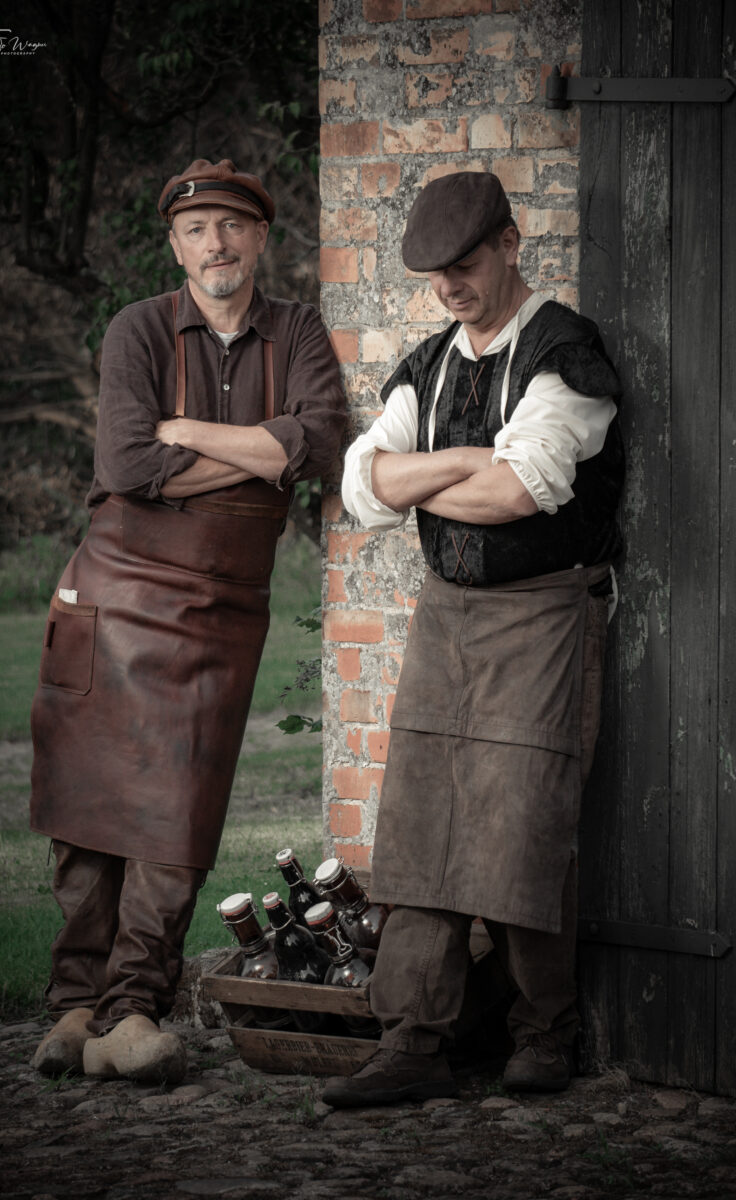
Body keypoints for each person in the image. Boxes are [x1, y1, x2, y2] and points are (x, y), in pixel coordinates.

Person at [29, 158, 347, 1084]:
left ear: (260, 239)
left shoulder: (297, 331)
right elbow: (127, 465)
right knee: (88, 811)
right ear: (176, 245)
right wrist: (262, 452)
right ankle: (74, 1008)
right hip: (114, 590)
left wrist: (194, 437)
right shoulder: (135, 329)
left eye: (233, 226)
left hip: (219, 608)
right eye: (199, 228)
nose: (218, 242)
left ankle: (134, 1011)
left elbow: (320, 439)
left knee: (178, 813)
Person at [325, 170, 624, 1107]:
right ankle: (413, 1041)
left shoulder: (563, 352)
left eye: (464, 263)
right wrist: (462, 457)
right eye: (435, 273)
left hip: (543, 615)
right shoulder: (427, 364)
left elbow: (520, 490)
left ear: (510, 241)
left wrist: (431, 474)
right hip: (446, 617)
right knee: (420, 827)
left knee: (522, 822)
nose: (450, 285)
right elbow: (362, 488)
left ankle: (545, 1032)